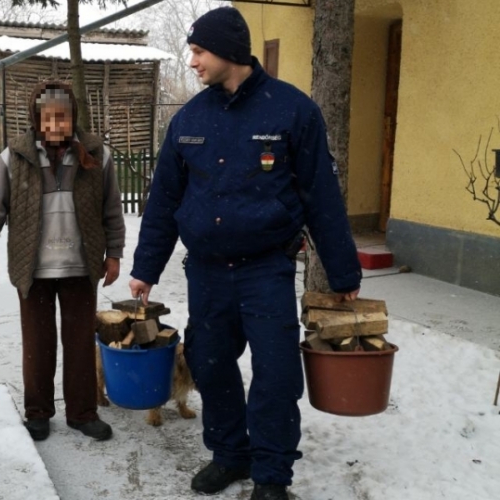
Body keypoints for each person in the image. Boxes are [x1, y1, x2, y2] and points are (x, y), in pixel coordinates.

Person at [129, 7, 362, 500]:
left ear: (228, 51)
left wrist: (343, 273)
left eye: (198, 51)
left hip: (266, 270)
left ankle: (272, 475)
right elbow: (165, 199)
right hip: (207, 272)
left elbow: (321, 197)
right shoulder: (189, 119)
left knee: (276, 374)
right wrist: (146, 267)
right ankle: (229, 454)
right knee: (210, 365)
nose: (192, 61)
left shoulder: (293, 111)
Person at [0, 80, 126, 442]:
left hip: (81, 266)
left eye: (62, 117)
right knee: (38, 346)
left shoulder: (96, 154)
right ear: (36, 119)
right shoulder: (15, 157)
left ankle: (82, 414)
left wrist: (113, 253)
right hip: (32, 269)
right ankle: (38, 414)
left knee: (80, 344)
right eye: (48, 118)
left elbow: (111, 210)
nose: (55, 125)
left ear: (72, 117)